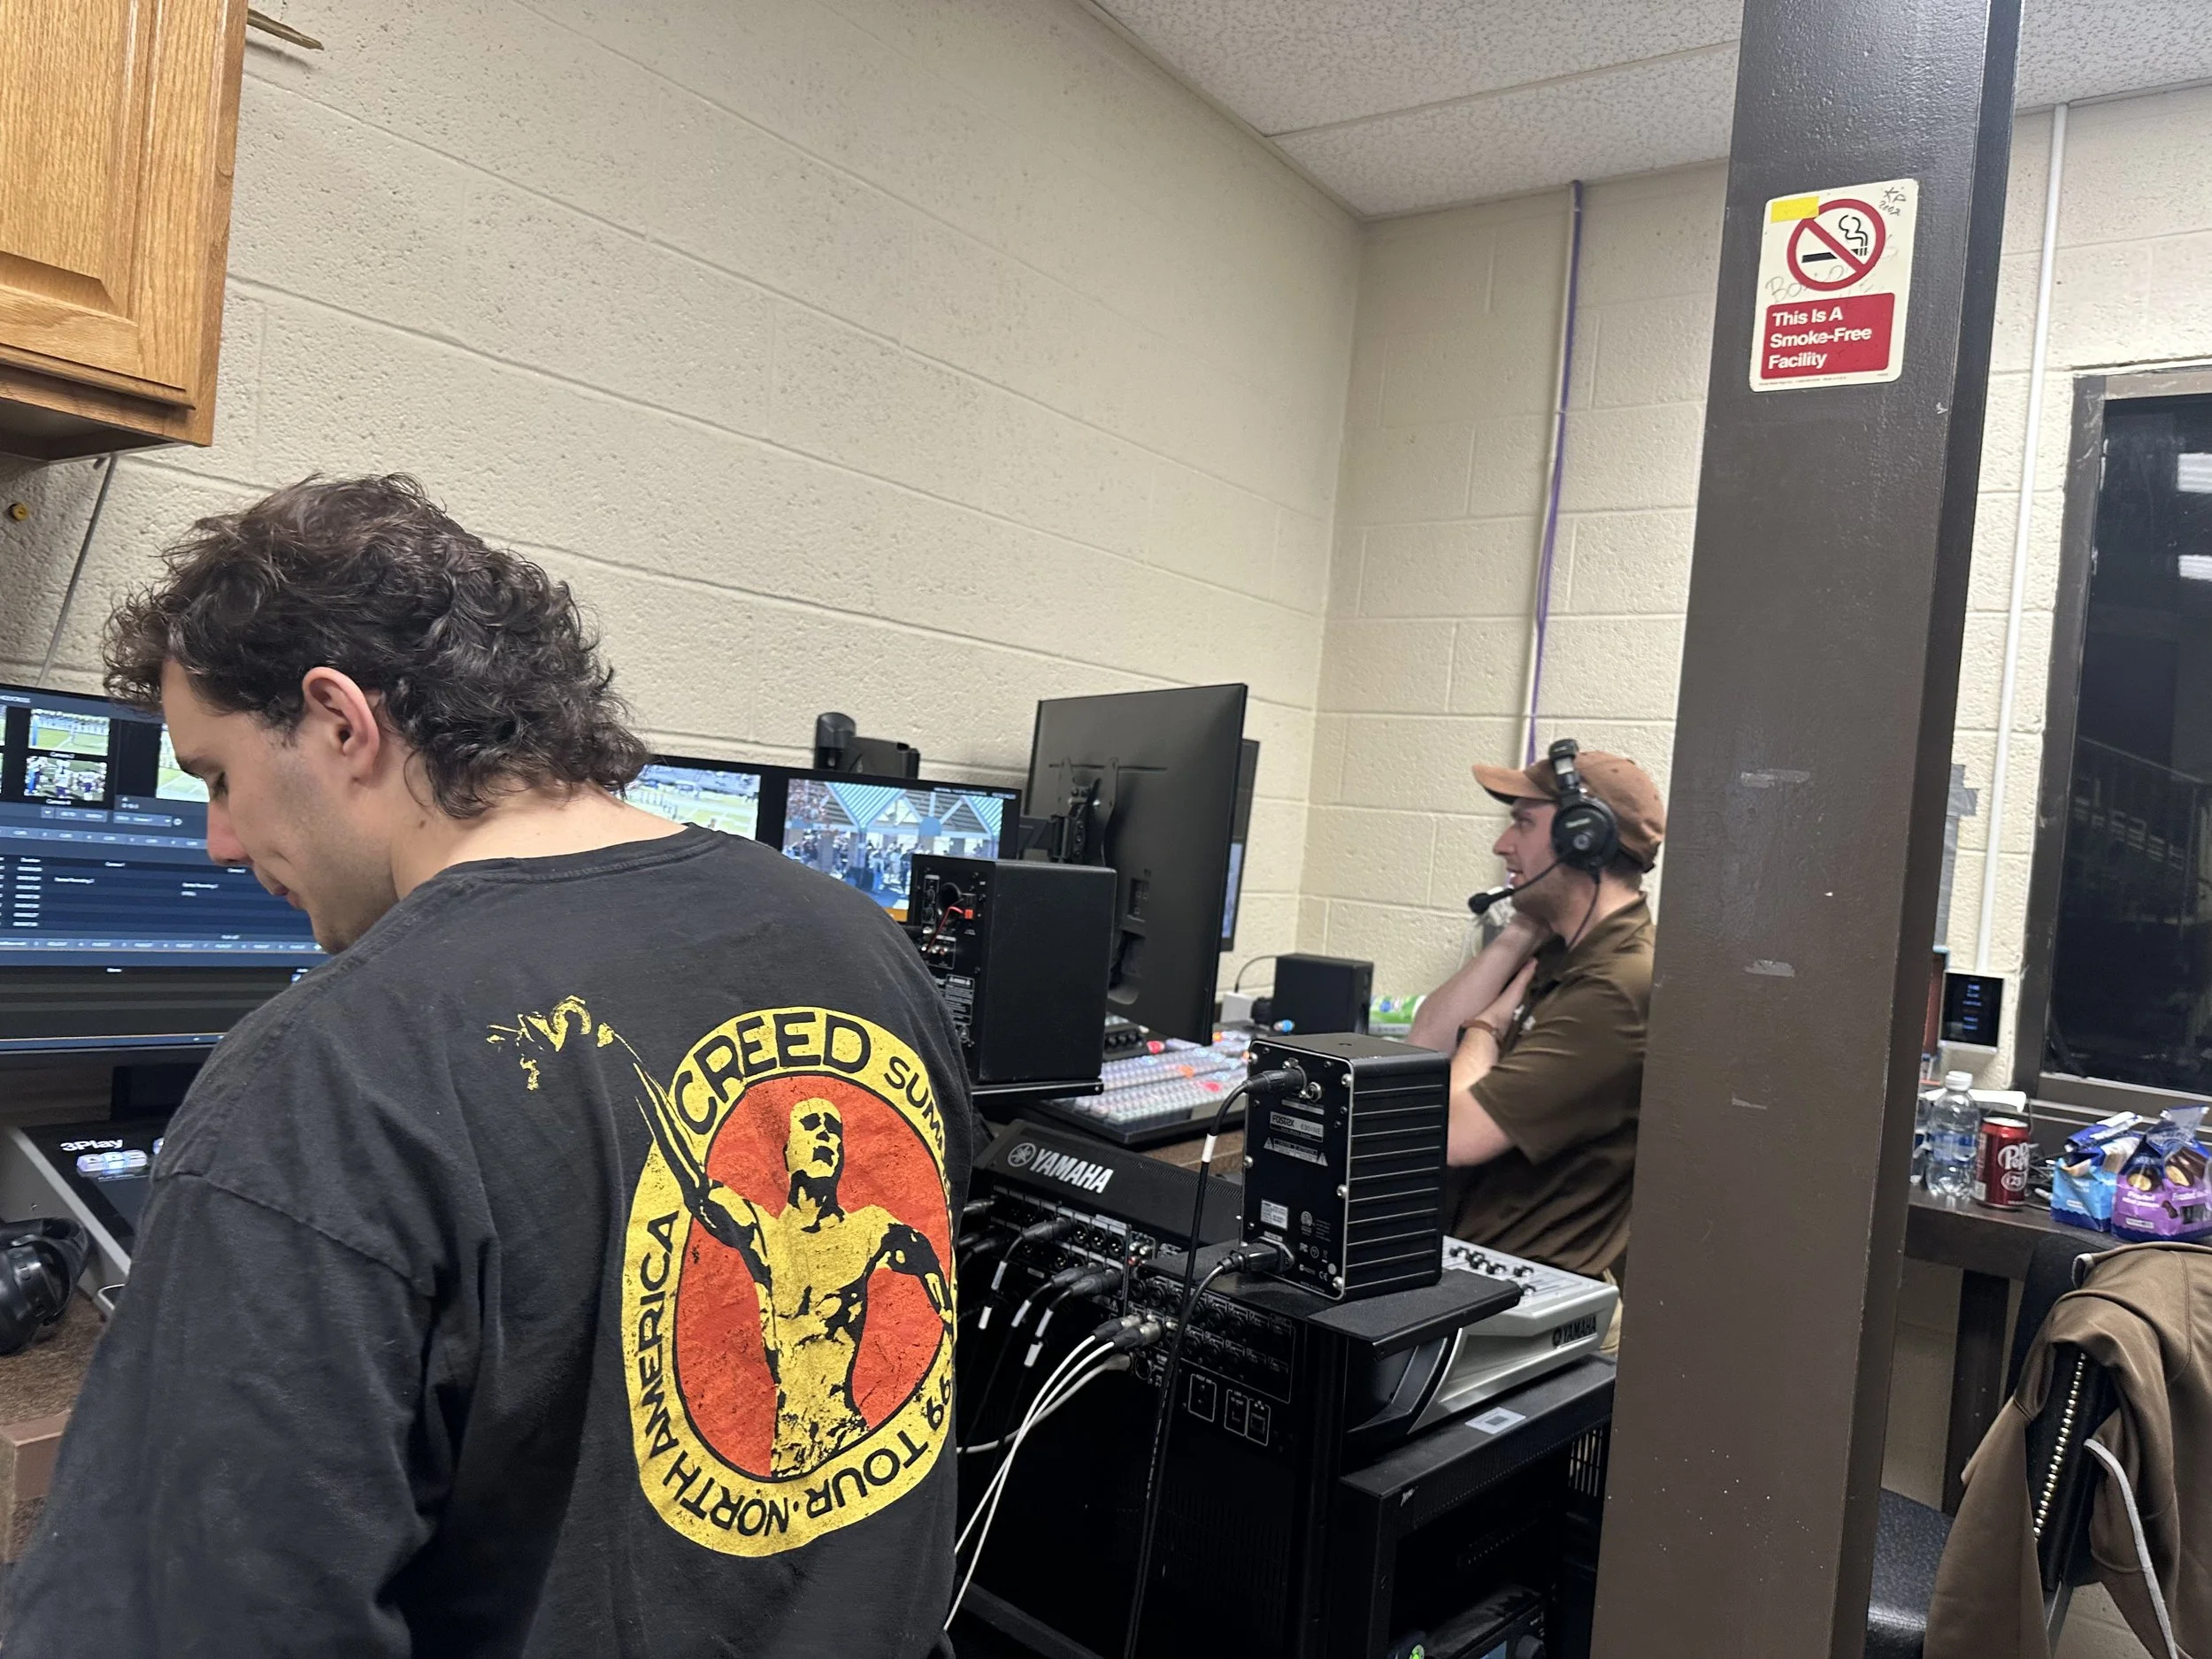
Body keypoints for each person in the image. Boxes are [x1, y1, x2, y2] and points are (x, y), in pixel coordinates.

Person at [8, 476, 976, 1658]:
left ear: (339, 721)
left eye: (215, 776)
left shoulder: (330, 1074)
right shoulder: (862, 946)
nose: (215, 840)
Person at [1408, 742, 1665, 1302]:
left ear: (1583, 838)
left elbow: (1453, 1136)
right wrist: (1522, 929)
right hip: (1479, 1278)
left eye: (1523, 823)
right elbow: (1424, 1045)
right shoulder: (1565, 948)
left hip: (1529, 1304)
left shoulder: (1617, 986)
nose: (1503, 845)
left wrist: (1483, 1034)